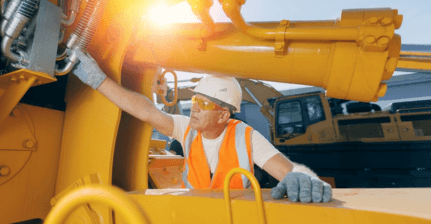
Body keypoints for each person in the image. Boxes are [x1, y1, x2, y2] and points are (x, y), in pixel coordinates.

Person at [72, 51, 332, 203]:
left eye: (204, 104)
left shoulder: (245, 136)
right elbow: (145, 110)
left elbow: (288, 169)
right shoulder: (185, 128)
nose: (194, 107)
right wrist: (98, 80)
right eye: (195, 100)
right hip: (194, 214)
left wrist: (303, 177)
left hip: (233, 217)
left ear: (223, 116)